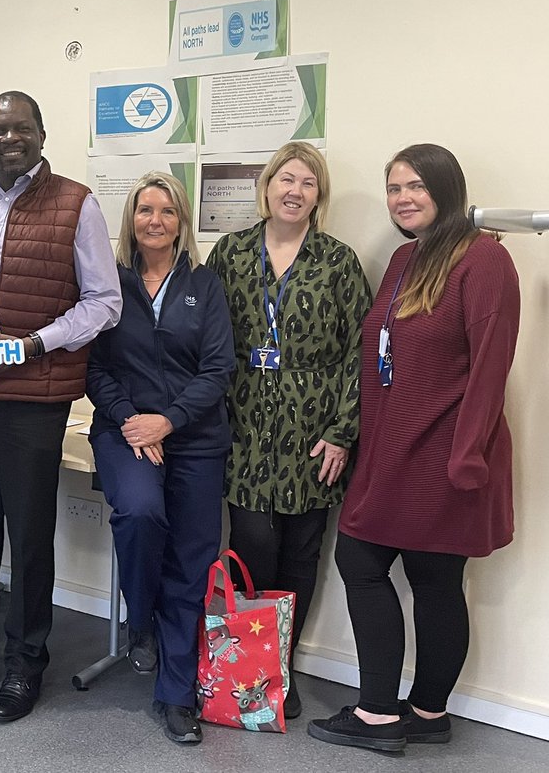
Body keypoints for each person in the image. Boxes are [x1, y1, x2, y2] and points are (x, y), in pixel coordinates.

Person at [309, 145, 520, 753]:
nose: (402, 197)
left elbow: (490, 368)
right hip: (390, 447)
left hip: (446, 452)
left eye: (416, 186)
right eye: (394, 187)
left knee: (411, 573)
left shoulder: (483, 259)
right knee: (407, 573)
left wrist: (469, 454)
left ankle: (388, 715)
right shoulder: (406, 257)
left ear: (446, 189)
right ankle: (425, 715)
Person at [0, 92, 121, 723]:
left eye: (21, 128)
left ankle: (25, 663)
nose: (10, 138)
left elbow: (102, 303)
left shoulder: (76, 202)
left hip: (33, 394)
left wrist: (29, 346)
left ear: (41, 133)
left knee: (30, 535)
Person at [205, 141, 371, 719]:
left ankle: (281, 670)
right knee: (250, 549)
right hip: (244, 425)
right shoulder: (229, 253)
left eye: (308, 182)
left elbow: (362, 352)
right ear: (268, 186)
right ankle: (251, 667)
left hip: (315, 432)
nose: (294, 190)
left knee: (302, 555)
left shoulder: (337, 260)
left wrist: (344, 431)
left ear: (317, 196)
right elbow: (204, 338)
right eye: (286, 179)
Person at [85, 172, 235, 744]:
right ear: (131, 220)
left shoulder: (205, 284)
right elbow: (94, 367)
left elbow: (218, 368)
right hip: (126, 434)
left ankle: (175, 693)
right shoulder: (108, 285)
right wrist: (130, 419)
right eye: (145, 209)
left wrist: (168, 419)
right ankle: (141, 619)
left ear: (182, 221)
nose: (155, 220)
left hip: (194, 438)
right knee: (142, 514)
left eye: (167, 211)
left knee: (191, 563)